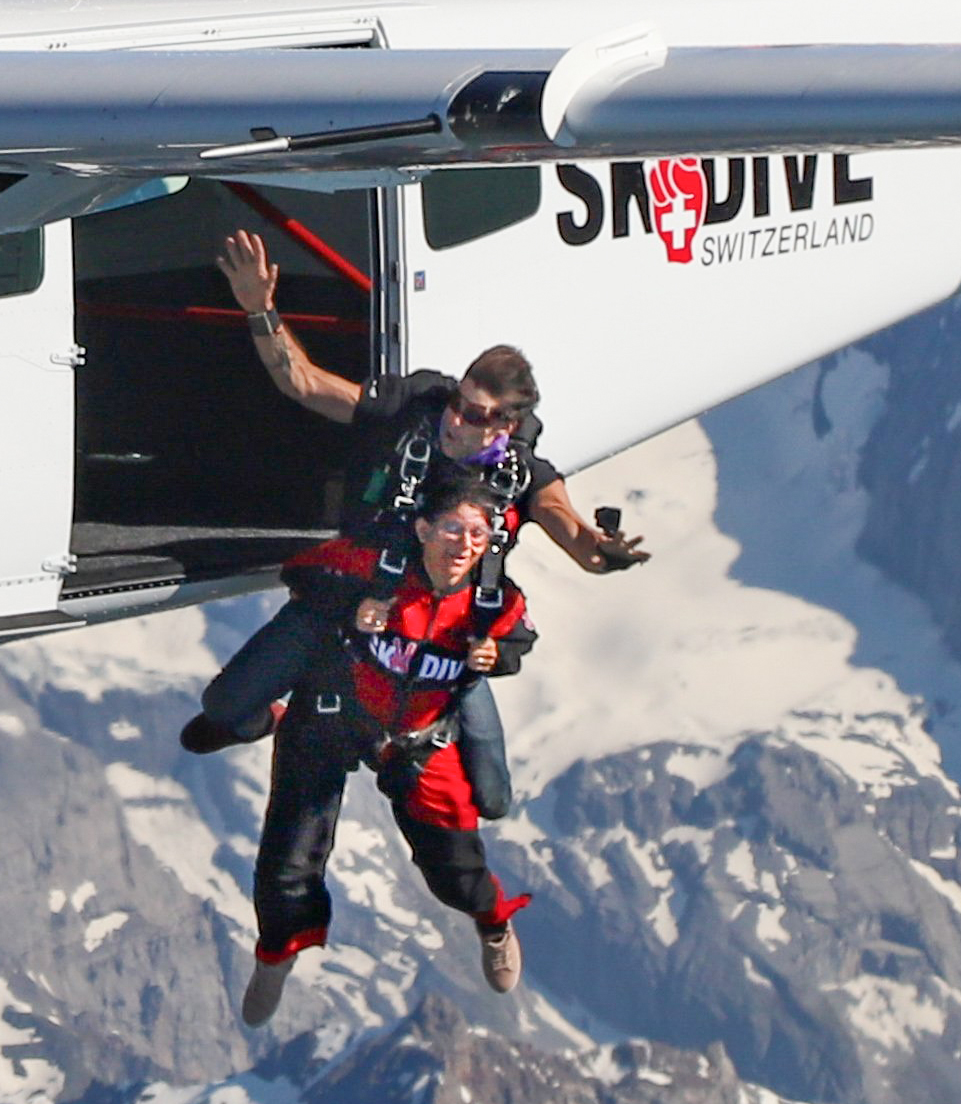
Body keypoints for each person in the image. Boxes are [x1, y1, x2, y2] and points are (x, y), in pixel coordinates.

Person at [179, 221, 640, 804]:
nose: (455, 420)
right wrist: (260, 310)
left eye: (476, 415)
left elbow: (574, 534)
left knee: (492, 798)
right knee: (222, 710)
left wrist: (607, 552)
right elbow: (304, 384)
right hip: (344, 603)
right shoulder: (410, 409)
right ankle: (280, 717)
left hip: (437, 641)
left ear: (506, 425)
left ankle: (411, 732)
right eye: (458, 403)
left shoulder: (519, 474)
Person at [240, 471, 534, 1025]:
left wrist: (497, 655)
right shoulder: (379, 566)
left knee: (455, 865)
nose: (462, 546)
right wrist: (354, 606)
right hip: (336, 713)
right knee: (288, 852)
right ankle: (277, 952)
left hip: (420, 736)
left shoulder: (492, 598)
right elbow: (303, 572)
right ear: (422, 528)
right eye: (451, 529)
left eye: (477, 535)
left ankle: (492, 921)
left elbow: (520, 638)